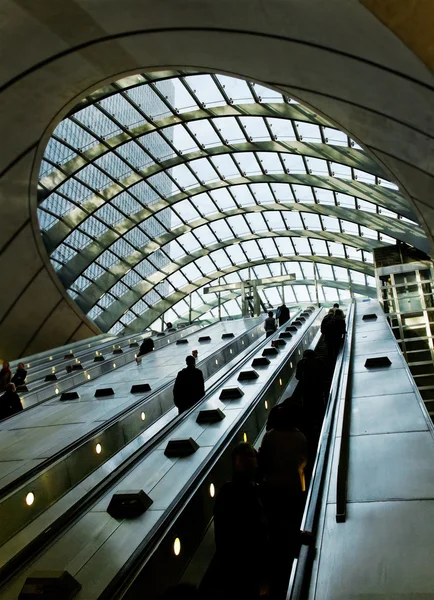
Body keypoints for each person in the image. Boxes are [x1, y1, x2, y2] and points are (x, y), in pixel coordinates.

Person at [259, 403, 308, 597]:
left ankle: (273, 577)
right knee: (291, 523)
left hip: (271, 490)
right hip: (293, 490)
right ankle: (292, 559)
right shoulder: (300, 437)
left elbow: (263, 462)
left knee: (274, 528)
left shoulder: (269, 437)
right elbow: (305, 461)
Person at [213, 443, 268, 599]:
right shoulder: (229, 493)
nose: (249, 460)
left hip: (245, 568)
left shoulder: (256, 490)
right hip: (240, 568)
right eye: (244, 457)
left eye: (251, 455)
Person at [296, 349, 326, 426]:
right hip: (318, 387)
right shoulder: (319, 362)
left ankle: (310, 422)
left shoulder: (301, 363)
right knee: (319, 402)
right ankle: (321, 420)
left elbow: (298, 376)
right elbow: (325, 373)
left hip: (306, 388)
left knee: (308, 405)